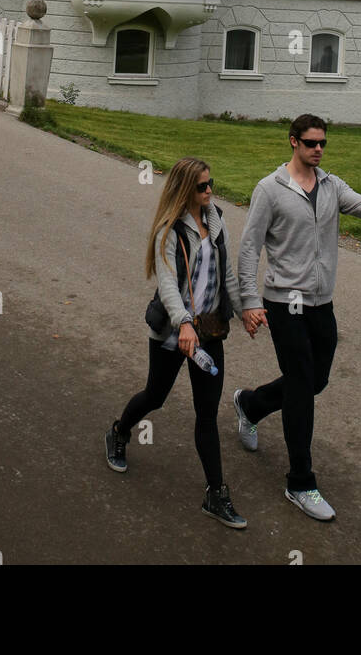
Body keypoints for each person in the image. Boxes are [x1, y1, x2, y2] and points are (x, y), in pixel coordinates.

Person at [233, 115, 361, 521]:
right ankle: (300, 482)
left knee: (315, 380)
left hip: (321, 302)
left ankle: (250, 405)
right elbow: (249, 248)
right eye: (311, 143)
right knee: (301, 387)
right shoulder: (269, 190)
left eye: (323, 143)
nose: (319, 149)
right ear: (294, 143)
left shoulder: (331, 186)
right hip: (283, 301)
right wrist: (251, 301)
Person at [104, 157, 248, 528]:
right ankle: (119, 431)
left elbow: (225, 272)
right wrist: (183, 324)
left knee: (207, 413)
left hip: (209, 332)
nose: (209, 190)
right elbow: (168, 286)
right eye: (202, 186)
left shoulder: (216, 221)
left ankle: (216, 493)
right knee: (155, 395)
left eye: (210, 183)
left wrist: (248, 309)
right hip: (173, 332)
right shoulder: (169, 231)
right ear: (185, 190)